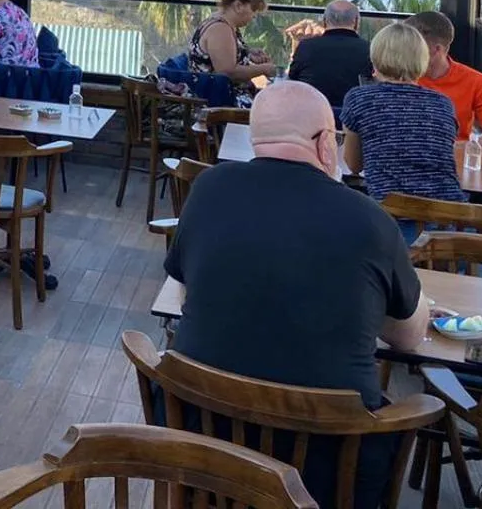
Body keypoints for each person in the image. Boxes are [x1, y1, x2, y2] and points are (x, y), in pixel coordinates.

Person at [165, 80, 431, 509]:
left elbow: (183, 296)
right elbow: (409, 337)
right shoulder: (368, 221)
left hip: (207, 446)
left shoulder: (208, 189)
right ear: (327, 142)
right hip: (326, 470)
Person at [339, 22, 464, 205]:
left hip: (394, 221)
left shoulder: (360, 98)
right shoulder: (443, 103)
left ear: (376, 57)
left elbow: (354, 165)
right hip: (452, 221)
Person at [406, 10, 482, 154]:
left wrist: (449, 148)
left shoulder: (476, 82)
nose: (405, 53)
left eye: (412, 48)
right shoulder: (400, 75)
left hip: (454, 162)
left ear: (437, 50)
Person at [187, 0, 276, 90]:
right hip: (219, 100)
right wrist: (264, 69)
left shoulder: (224, 24)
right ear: (238, 6)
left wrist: (249, 54)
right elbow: (228, 72)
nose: (254, 16)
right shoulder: (220, 29)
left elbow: (225, 56)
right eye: (253, 10)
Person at [288, 0, 373, 108]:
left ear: (324, 21)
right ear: (356, 22)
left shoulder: (306, 47)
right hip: (353, 117)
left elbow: (292, 78)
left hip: (311, 115)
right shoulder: (370, 49)